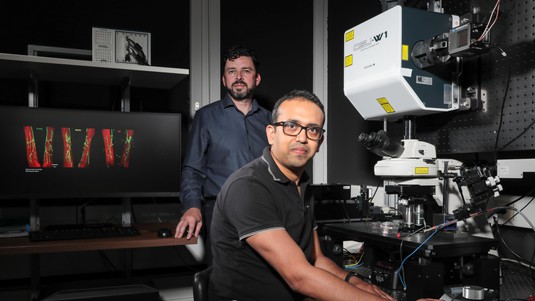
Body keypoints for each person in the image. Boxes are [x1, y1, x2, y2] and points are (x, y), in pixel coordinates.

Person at [209, 89, 443, 301]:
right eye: (291, 125)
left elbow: (317, 259)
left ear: (319, 141)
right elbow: (299, 277)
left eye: (312, 129)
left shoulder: (300, 185)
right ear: (271, 134)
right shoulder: (248, 187)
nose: (302, 137)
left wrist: (358, 283)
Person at [175, 45, 271, 265]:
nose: (238, 77)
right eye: (231, 71)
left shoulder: (271, 121)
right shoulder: (205, 117)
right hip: (219, 213)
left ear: (256, 79)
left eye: (246, 71)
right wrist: (192, 207)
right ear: (224, 79)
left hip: (264, 212)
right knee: (222, 284)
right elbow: (192, 169)